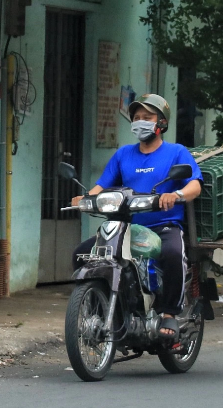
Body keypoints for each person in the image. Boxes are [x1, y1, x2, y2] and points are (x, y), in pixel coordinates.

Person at [71, 93, 203, 340]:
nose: (140, 122)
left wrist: (175, 195)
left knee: (173, 254)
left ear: (161, 122)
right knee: (81, 254)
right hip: (127, 228)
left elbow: (194, 185)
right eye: (136, 118)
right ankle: (99, 307)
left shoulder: (176, 152)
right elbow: (101, 186)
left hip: (164, 226)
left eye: (147, 117)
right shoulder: (123, 155)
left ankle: (169, 314)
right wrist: (85, 199)